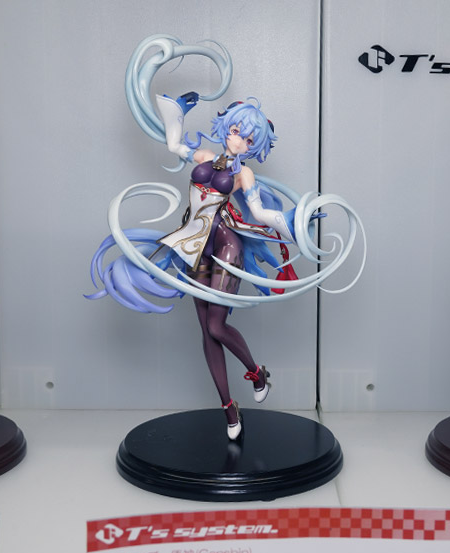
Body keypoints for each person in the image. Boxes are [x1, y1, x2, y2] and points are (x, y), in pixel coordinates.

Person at [88, 35, 365, 440]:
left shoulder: (244, 174)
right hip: (192, 244)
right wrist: (174, 111)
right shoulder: (203, 156)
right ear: (226, 127)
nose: (238, 140)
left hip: (226, 247)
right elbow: (173, 143)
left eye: (248, 139)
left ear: (255, 146)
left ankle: (256, 372)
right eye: (236, 131)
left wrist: (298, 223)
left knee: (217, 327)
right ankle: (229, 408)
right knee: (205, 331)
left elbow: (261, 213)